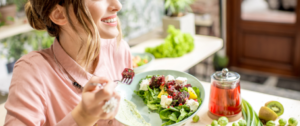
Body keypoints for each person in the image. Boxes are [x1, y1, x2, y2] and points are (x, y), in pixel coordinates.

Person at [4, 0, 132, 125]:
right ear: (59, 14)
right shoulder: (31, 71)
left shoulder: (119, 49)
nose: (118, 5)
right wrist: (82, 117)